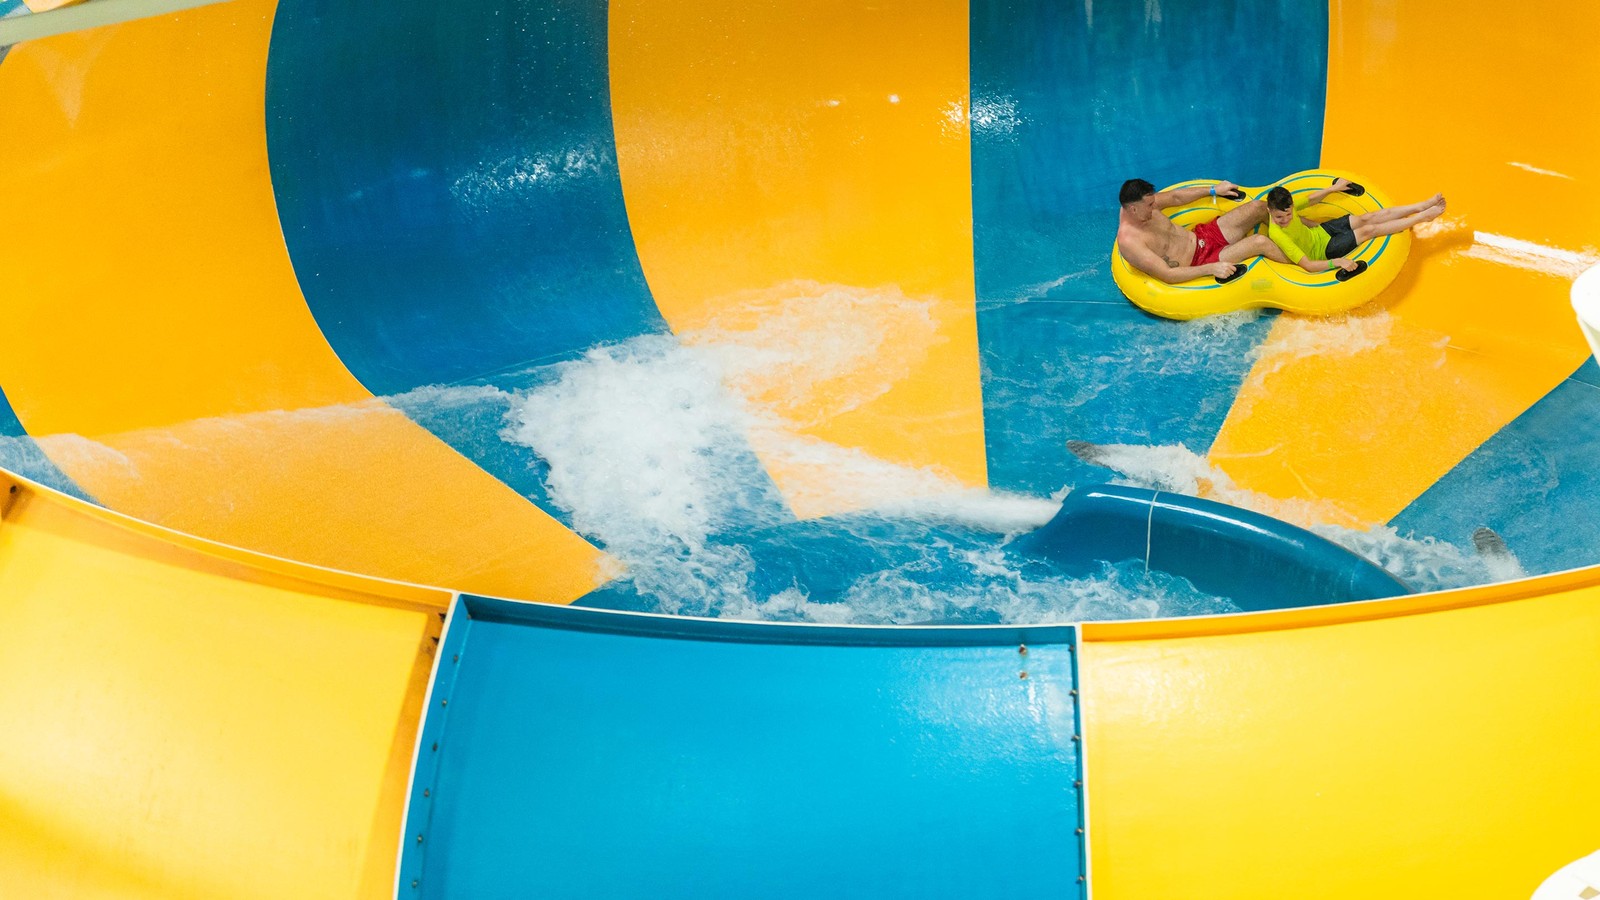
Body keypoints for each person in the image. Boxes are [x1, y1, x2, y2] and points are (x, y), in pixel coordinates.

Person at [1116, 178, 1285, 283]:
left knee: (1258, 207)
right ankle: (1304, 264)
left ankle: (1308, 229)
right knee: (1259, 242)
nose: (1154, 207)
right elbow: (1167, 274)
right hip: (1201, 261)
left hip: (1203, 236)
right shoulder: (1130, 242)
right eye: (1150, 205)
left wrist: (1213, 190)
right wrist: (1211, 268)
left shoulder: (1141, 205)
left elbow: (1175, 197)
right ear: (1133, 209)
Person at [1265, 179, 1444, 273]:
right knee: (1368, 230)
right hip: (1324, 250)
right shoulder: (1278, 233)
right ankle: (1422, 218)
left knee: (1367, 218)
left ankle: (1419, 206)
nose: (1286, 219)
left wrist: (1333, 189)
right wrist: (1337, 262)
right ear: (1269, 210)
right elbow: (1308, 265)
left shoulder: (1288, 205)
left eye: (1288, 214)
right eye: (1280, 217)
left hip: (1321, 231)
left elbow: (1311, 199)